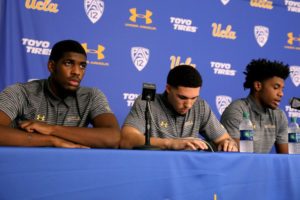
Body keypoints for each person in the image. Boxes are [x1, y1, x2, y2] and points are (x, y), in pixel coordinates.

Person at [0, 40, 120, 148]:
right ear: (52, 66)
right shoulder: (21, 92)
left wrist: (51, 129)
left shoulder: (91, 96)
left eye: (82, 66)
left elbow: (114, 137)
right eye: (68, 63)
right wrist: (51, 140)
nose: (77, 72)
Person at [120, 65, 238, 152]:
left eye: (194, 98)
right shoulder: (147, 103)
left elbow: (224, 139)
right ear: (168, 88)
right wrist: (171, 143)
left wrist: (228, 144)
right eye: (182, 97)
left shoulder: (200, 106)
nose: (189, 105)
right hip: (154, 169)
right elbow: (126, 139)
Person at [221, 58, 290, 153]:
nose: (281, 94)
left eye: (282, 89)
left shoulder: (279, 115)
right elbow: (236, 157)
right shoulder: (237, 110)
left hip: (263, 167)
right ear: (258, 86)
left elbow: (287, 158)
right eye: (276, 87)